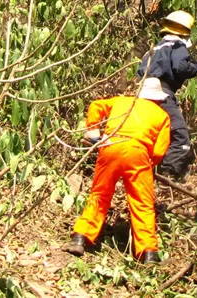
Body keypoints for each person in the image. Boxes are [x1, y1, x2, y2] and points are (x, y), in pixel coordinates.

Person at [62, 78, 172, 264]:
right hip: (138, 153)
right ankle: (149, 254)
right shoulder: (163, 116)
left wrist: (93, 131)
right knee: (142, 203)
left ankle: (80, 238)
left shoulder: (122, 101)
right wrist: (146, 161)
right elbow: (159, 151)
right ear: (158, 99)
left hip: (111, 146)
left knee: (100, 194)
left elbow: (96, 106)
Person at [136, 11, 197, 180]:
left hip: (142, 95)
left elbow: (140, 72)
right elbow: (181, 67)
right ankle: (168, 173)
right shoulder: (177, 46)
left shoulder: (156, 47)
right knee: (179, 135)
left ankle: (147, 169)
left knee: (151, 133)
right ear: (186, 31)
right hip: (162, 94)